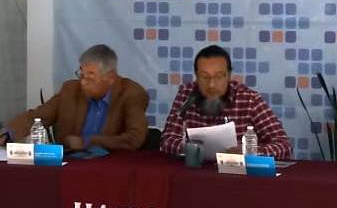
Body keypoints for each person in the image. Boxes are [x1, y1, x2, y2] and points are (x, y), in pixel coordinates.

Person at [0, 44, 149, 151]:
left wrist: (88, 141)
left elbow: (134, 138)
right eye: (81, 75)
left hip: (112, 166)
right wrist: (8, 133)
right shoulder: (70, 90)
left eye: (90, 77)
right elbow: (37, 117)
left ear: (110, 77)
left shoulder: (131, 93)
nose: (83, 82)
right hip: (70, 164)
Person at [160, 45, 292, 160]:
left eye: (218, 76)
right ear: (196, 75)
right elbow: (167, 139)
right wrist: (193, 148)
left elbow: (284, 145)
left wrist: (250, 152)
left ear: (228, 75)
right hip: (195, 170)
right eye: (204, 76)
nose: (211, 85)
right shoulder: (186, 94)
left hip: (238, 174)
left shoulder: (249, 99)